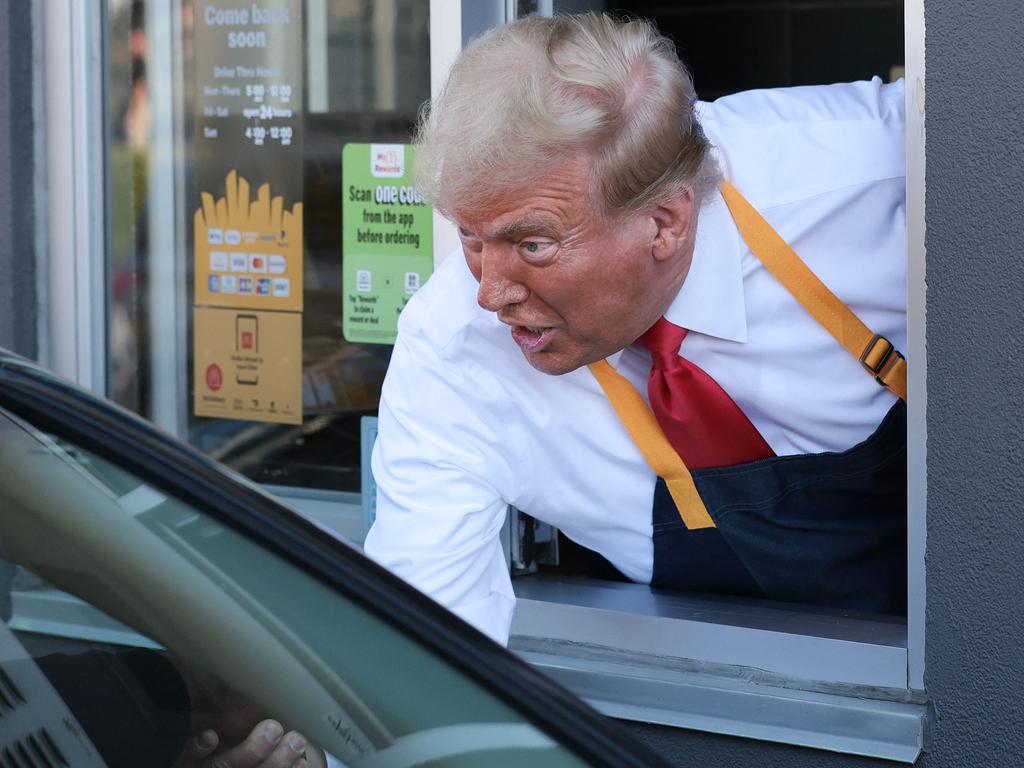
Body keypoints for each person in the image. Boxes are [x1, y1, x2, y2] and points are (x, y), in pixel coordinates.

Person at [364, 13, 907, 645]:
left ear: (666, 222)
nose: (488, 294)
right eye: (469, 235)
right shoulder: (453, 348)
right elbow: (424, 644)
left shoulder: (881, 170)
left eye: (534, 245)